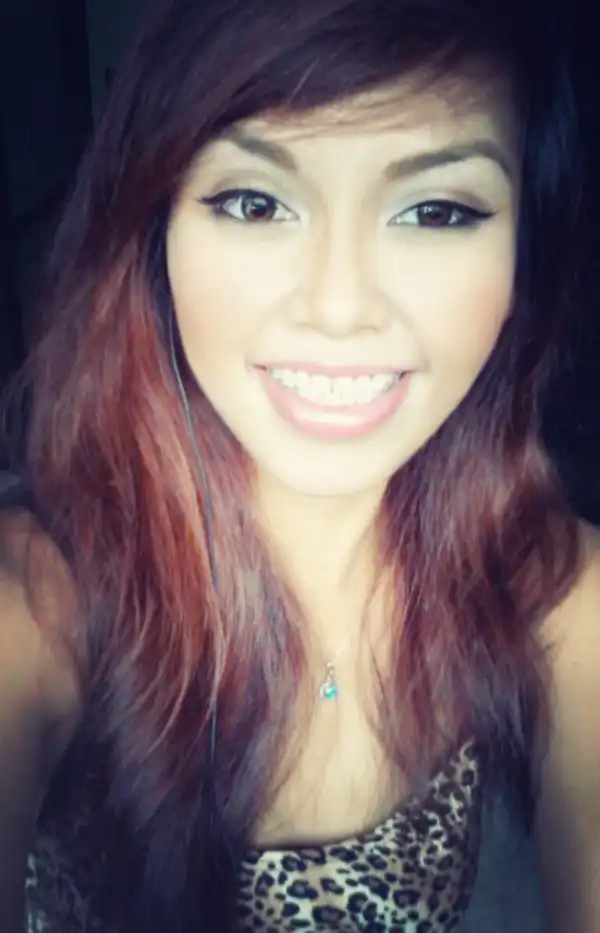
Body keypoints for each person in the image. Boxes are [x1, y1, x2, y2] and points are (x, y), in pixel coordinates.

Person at [1, 0, 599, 931]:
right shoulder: (36, 606)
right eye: (255, 202)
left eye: (435, 210)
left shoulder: (554, 586)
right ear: (155, 233)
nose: (339, 307)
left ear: (525, 258)